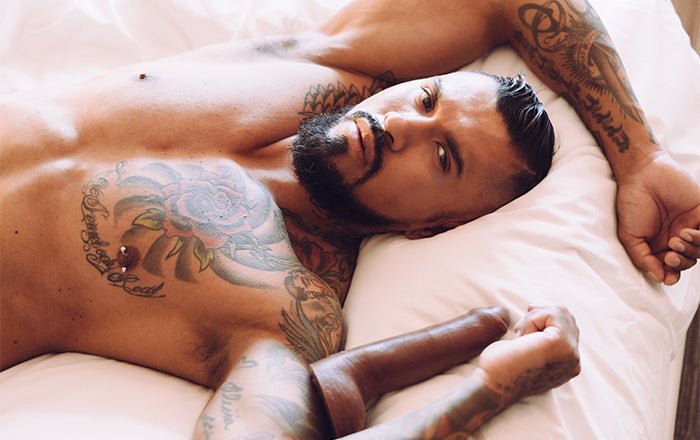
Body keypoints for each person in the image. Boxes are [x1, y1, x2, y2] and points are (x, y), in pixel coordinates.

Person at [0, 0, 698, 438]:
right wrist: (641, 157)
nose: (402, 125)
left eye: (443, 157)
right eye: (426, 99)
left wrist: (489, 389)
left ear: (431, 229)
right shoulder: (326, 67)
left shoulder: (284, 303)